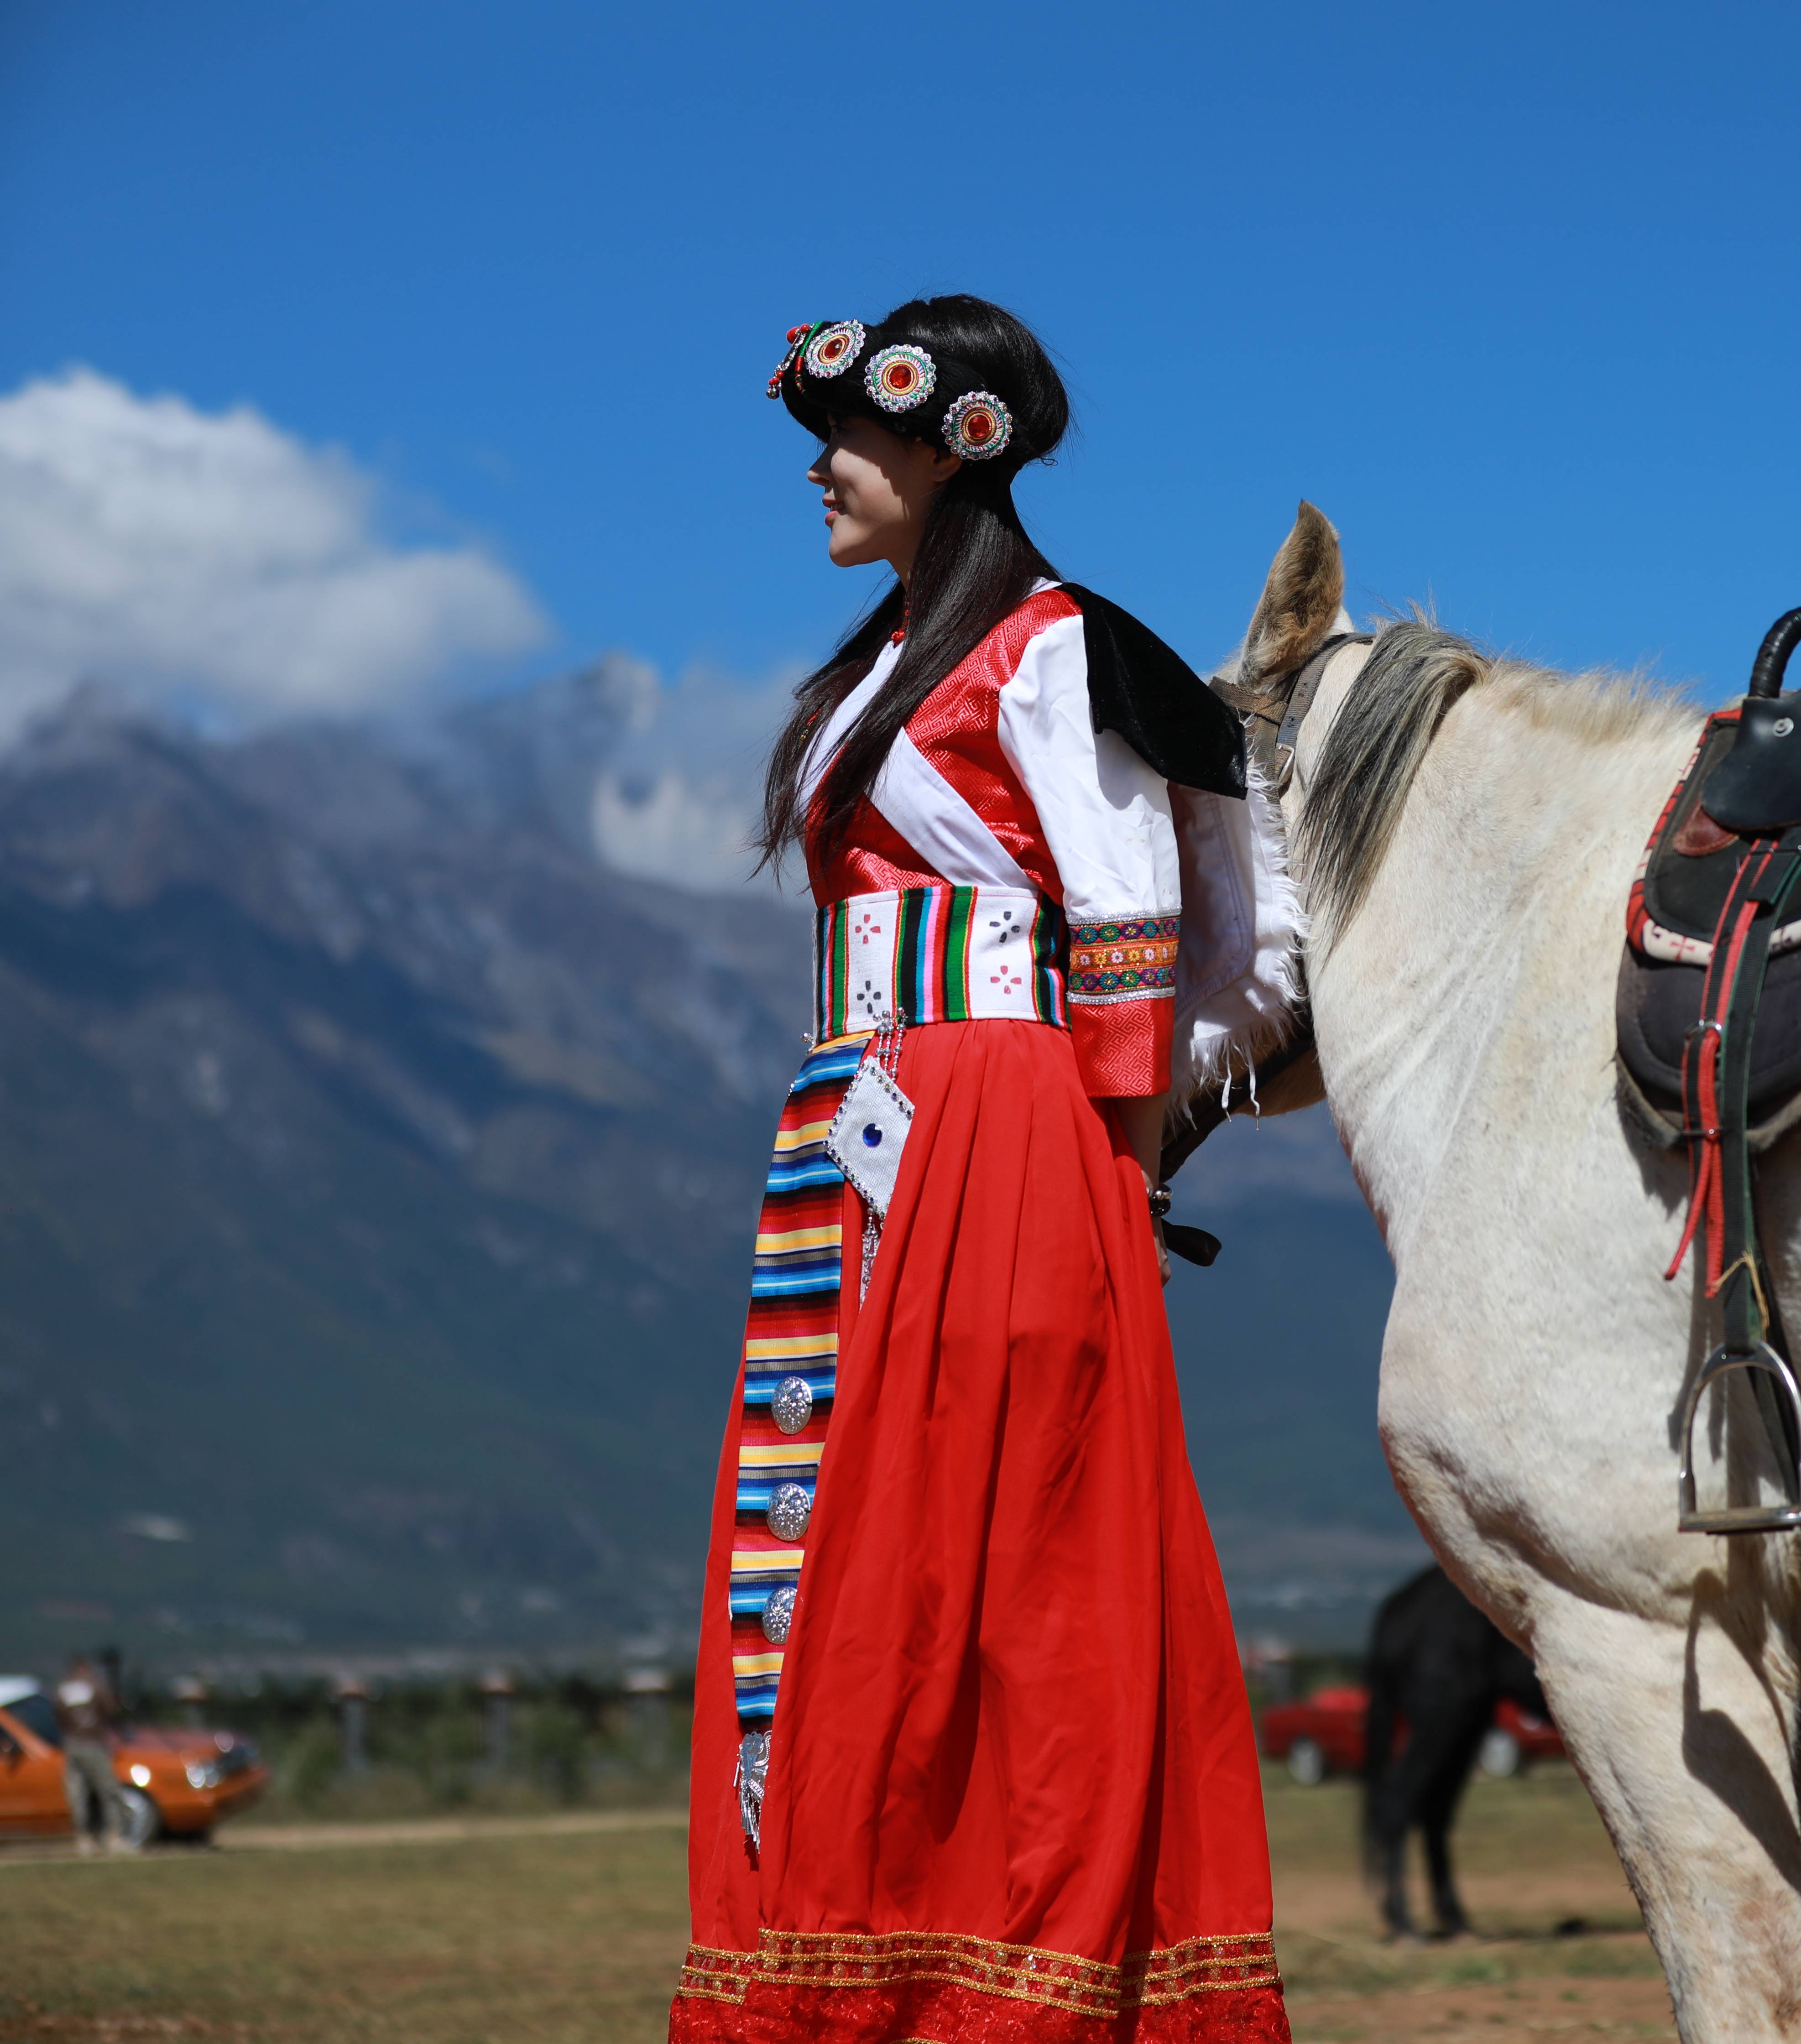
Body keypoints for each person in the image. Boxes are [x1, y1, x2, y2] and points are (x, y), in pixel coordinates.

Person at [669, 297, 1291, 2044]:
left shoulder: (1050, 650)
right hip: (860, 1128)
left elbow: (1152, 926)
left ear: (956, 444)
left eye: (845, 435)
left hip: (1004, 1132)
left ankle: (1013, 1980)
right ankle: (863, 1954)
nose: (817, 470)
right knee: (842, 1553)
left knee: (994, 1554)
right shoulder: (881, 665)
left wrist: (1099, 1154)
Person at [54, 1653, 122, 1855]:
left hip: (72, 1744)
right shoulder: (94, 1687)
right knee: (108, 1790)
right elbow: (110, 1710)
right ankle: (113, 1836)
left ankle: (83, 1839)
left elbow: (59, 1717)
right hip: (93, 1744)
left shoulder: (63, 1691)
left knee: (78, 1794)